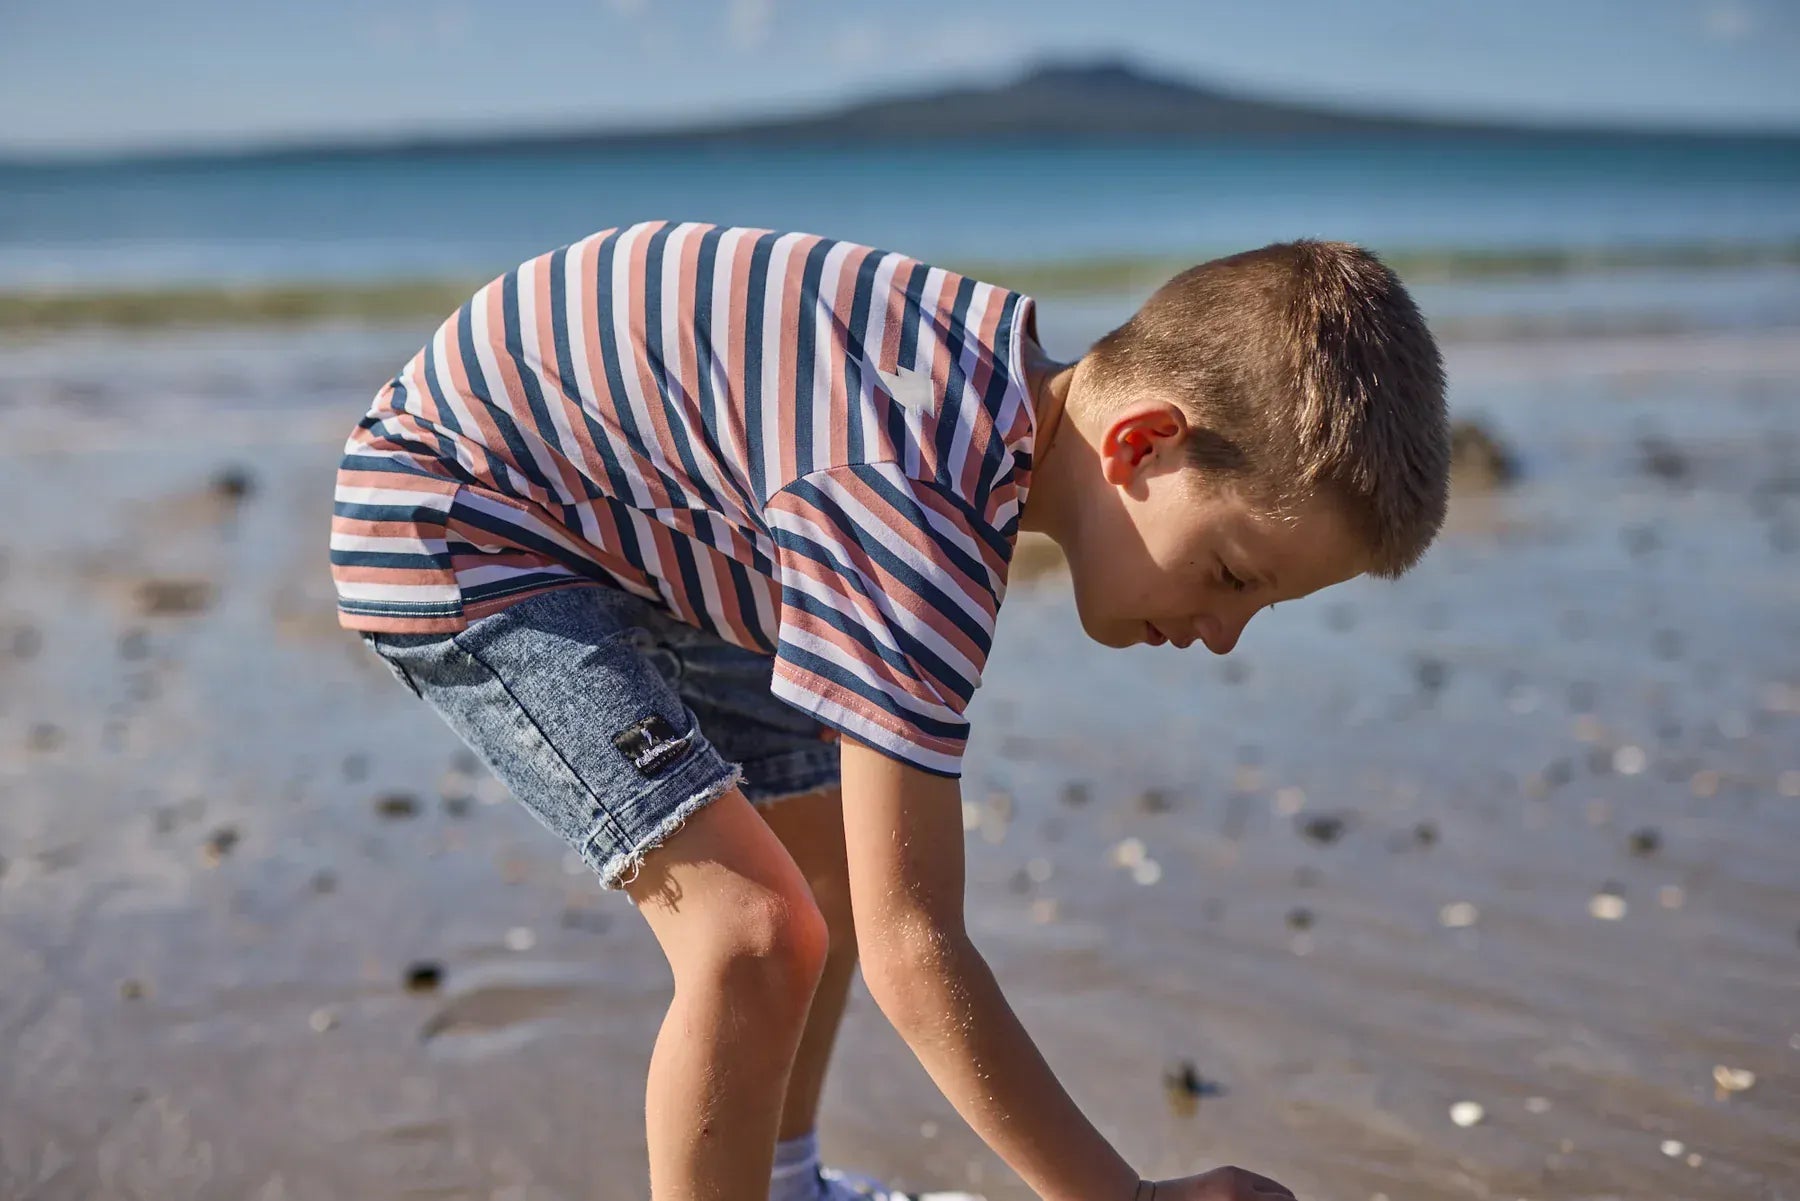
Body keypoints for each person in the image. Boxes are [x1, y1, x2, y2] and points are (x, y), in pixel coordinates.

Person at [330, 220, 1448, 1201]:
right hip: (465, 509)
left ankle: (782, 1183)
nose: (1222, 633)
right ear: (1142, 444)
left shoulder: (988, 395)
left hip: (666, 523)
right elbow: (924, 954)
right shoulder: (921, 524)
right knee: (752, 937)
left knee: (827, 872)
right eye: (1231, 576)